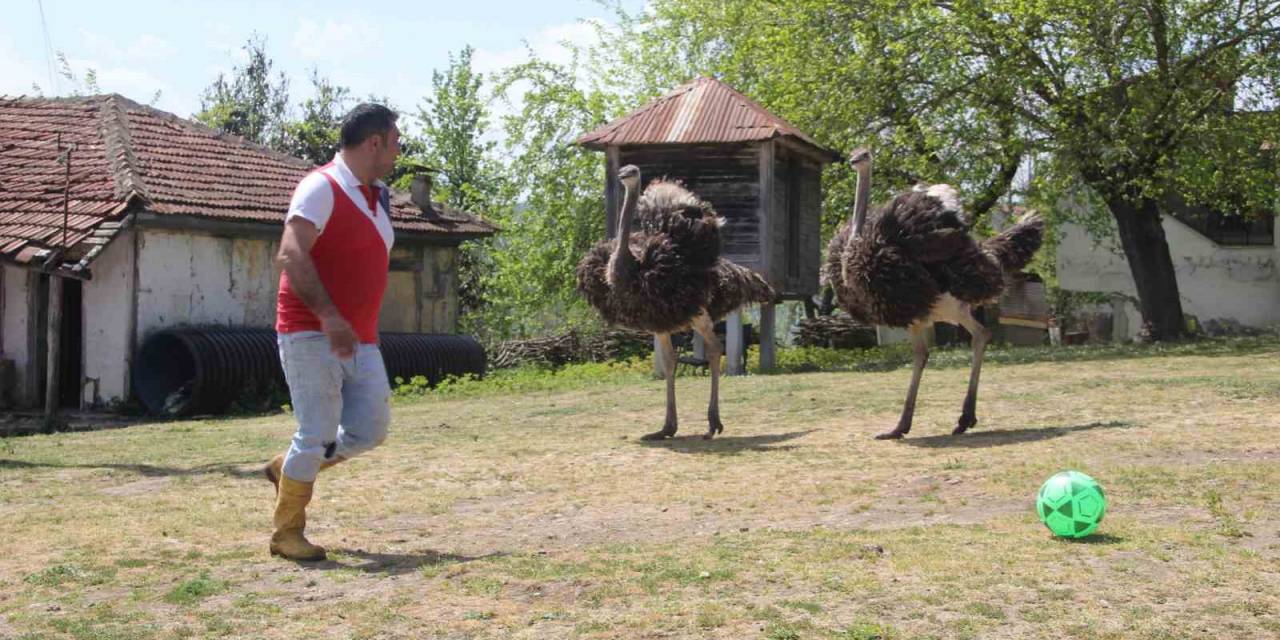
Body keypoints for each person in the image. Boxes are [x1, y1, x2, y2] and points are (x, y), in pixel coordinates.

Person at [262, 103, 401, 561]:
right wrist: (329, 316)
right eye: (395, 142)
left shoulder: (375, 195)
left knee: (370, 429)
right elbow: (291, 253)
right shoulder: (320, 187)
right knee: (317, 431)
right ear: (374, 142)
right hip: (310, 332)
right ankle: (287, 533)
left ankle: (289, 468)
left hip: (361, 337)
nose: (398, 152)